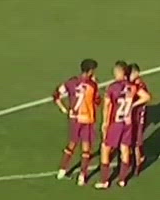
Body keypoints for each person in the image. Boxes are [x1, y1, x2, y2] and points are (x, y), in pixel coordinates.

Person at [96, 61, 147, 189]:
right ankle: (122, 179)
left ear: (118, 72)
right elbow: (146, 97)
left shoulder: (112, 87)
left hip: (116, 123)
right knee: (125, 148)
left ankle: (104, 180)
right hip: (128, 122)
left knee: (105, 148)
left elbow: (107, 107)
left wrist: (105, 123)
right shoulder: (133, 87)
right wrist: (133, 105)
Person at [53, 58, 100, 184]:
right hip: (87, 119)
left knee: (72, 144)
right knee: (86, 148)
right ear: (90, 71)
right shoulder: (92, 85)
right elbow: (97, 101)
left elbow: (56, 94)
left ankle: (62, 171)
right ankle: (82, 176)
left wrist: (64, 108)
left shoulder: (71, 82)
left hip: (74, 119)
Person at [126, 63, 151, 173]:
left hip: (139, 115)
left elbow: (146, 97)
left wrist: (133, 105)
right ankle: (136, 158)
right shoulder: (130, 83)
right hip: (132, 115)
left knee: (136, 140)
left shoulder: (139, 84)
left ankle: (138, 162)